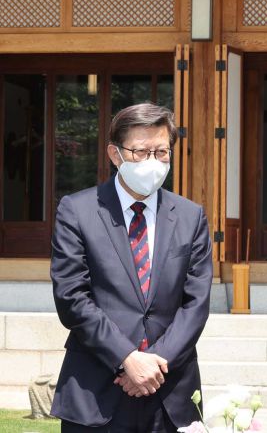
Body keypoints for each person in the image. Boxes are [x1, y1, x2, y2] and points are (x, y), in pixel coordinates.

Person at [50, 103, 213, 432]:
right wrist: (127, 357)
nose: (153, 162)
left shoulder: (190, 216)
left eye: (161, 152)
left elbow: (195, 303)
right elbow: (72, 296)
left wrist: (153, 365)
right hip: (96, 390)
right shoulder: (77, 211)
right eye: (141, 152)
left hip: (170, 392)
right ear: (115, 154)